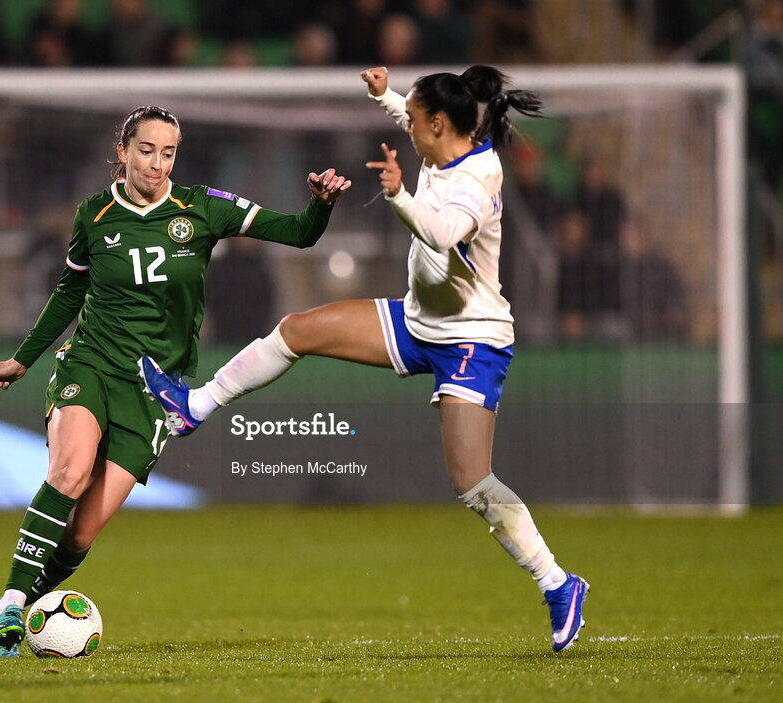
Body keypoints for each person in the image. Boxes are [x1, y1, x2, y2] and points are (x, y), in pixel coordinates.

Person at [141, 66, 590, 652]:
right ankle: (193, 406)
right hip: (415, 320)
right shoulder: (439, 134)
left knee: (472, 480)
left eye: (415, 122)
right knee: (298, 330)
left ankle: (558, 583)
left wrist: (399, 194)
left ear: (439, 124)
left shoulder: (479, 175)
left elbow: (442, 232)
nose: (409, 130)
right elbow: (410, 113)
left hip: (472, 339)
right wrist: (385, 96)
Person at [0, 105, 351, 657]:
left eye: (168, 152)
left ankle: (16, 607)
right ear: (123, 151)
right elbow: (69, 293)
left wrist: (320, 205)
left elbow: (299, 234)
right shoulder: (94, 214)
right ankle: (11, 601)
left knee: (81, 534)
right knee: (71, 470)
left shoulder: (202, 207)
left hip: (155, 389)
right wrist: (24, 360)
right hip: (92, 363)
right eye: (146, 150)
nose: (156, 163)